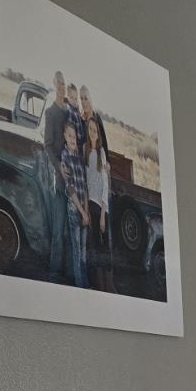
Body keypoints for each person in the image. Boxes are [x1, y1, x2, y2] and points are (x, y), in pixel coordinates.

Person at [41, 71, 70, 282]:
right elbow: (48, 145)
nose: (61, 86)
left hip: (74, 179)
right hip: (60, 178)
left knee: (72, 228)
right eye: (58, 83)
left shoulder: (70, 112)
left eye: (63, 83)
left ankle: (70, 274)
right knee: (58, 229)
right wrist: (59, 167)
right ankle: (54, 273)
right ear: (54, 85)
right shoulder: (51, 113)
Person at [58, 119, 90, 288]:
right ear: (65, 136)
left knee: (84, 250)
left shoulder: (78, 158)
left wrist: (87, 211)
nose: (72, 139)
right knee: (77, 250)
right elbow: (70, 189)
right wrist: (82, 212)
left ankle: (85, 283)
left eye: (74, 136)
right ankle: (80, 286)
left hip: (83, 208)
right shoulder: (65, 157)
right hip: (74, 208)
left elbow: (84, 185)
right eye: (69, 136)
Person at [84, 114, 113, 291]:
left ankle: (109, 284)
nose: (92, 132)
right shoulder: (86, 151)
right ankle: (100, 284)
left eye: (95, 130)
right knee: (95, 244)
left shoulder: (101, 152)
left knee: (104, 247)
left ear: (98, 133)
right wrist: (87, 209)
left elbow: (105, 183)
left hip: (102, 206)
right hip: (91, 203)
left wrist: (102, 214)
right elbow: (87, 183)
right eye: (90, 129)